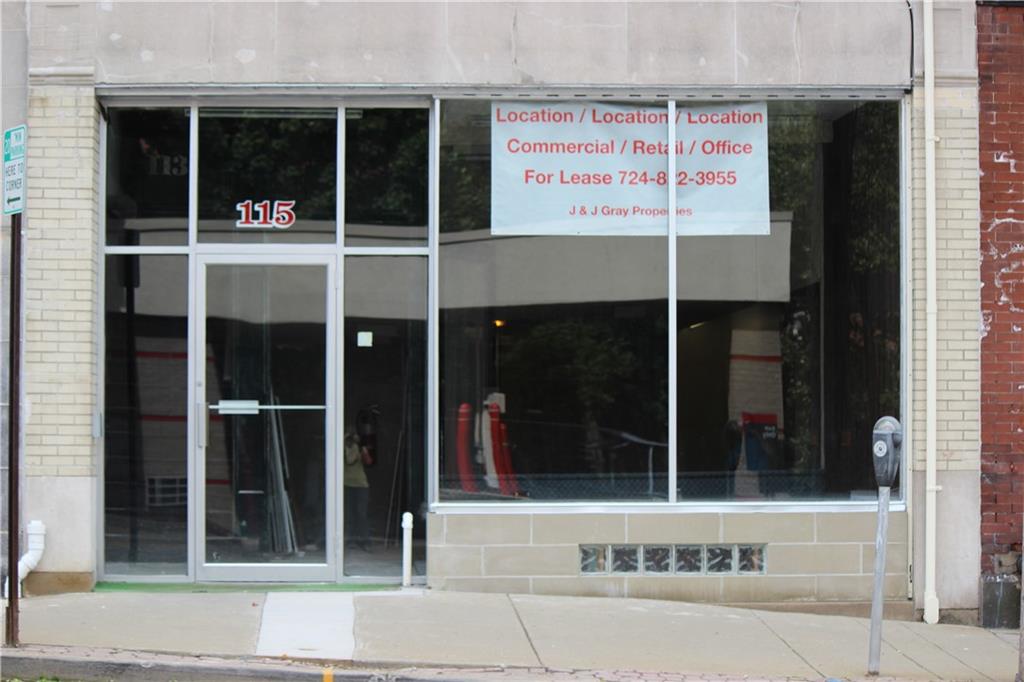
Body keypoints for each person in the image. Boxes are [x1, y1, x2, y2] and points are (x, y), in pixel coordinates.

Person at [344, 427, 372, 551]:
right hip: (347, 484)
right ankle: (351, 540)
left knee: (361, 513)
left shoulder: (359, 448)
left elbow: (369, 462)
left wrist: (364, 451)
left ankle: (364, 540)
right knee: (349, 513)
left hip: (360, 485)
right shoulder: (340, 446)